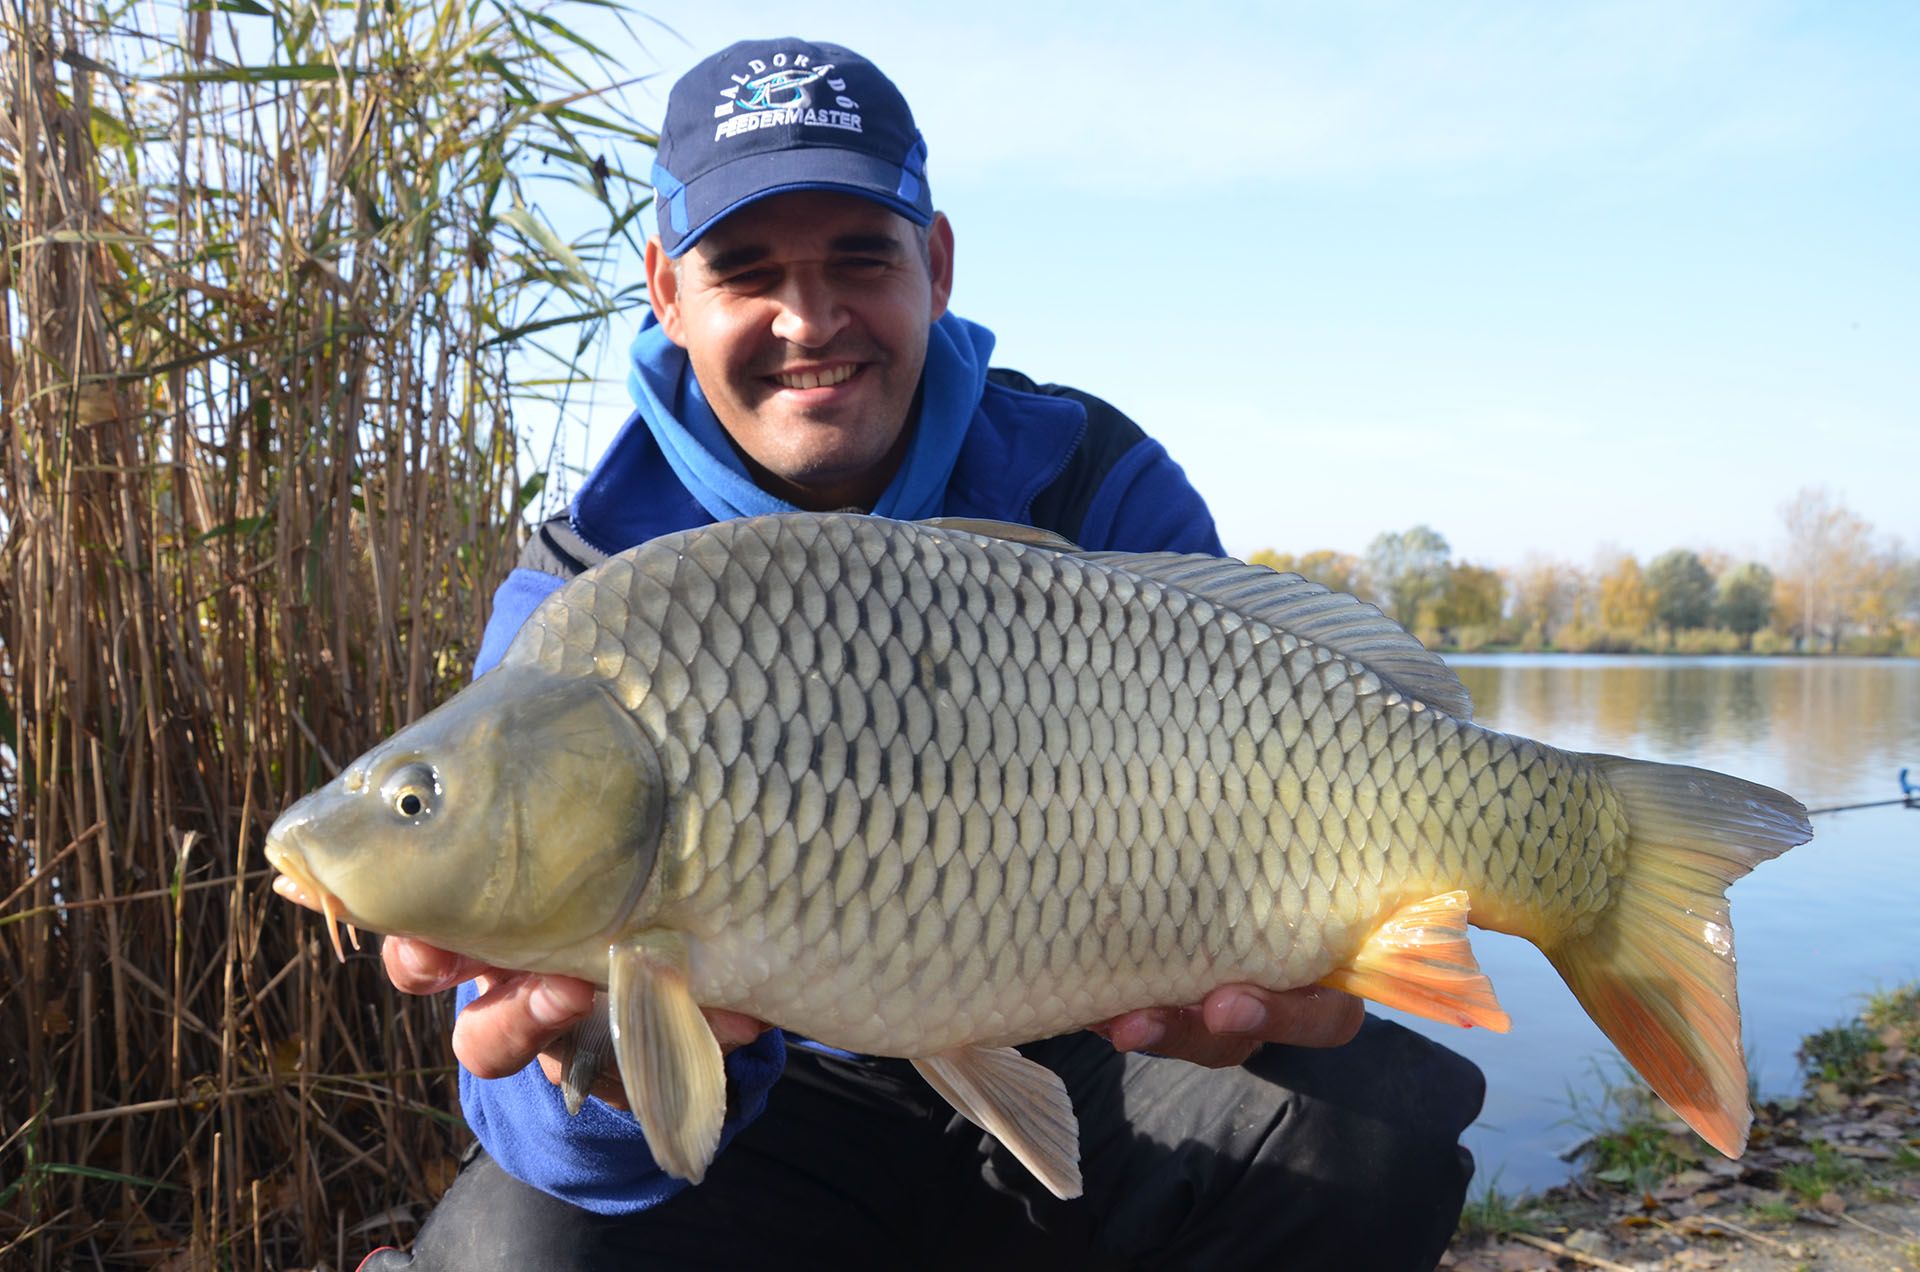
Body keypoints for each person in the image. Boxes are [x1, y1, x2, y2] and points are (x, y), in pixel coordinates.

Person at [365, 37, 1484, 1272]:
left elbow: (1274, 776)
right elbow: (535, 1122)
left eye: (861, 258)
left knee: (1374, 1121)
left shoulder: (1092, 479)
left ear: (935, 266)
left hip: (1091, 1047)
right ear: (667, 293)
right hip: (785, 1114)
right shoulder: (581, 600)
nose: (810, 319)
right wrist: (617, 1080)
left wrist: (1296, 964)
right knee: (510, 1249)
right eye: (746, 272)